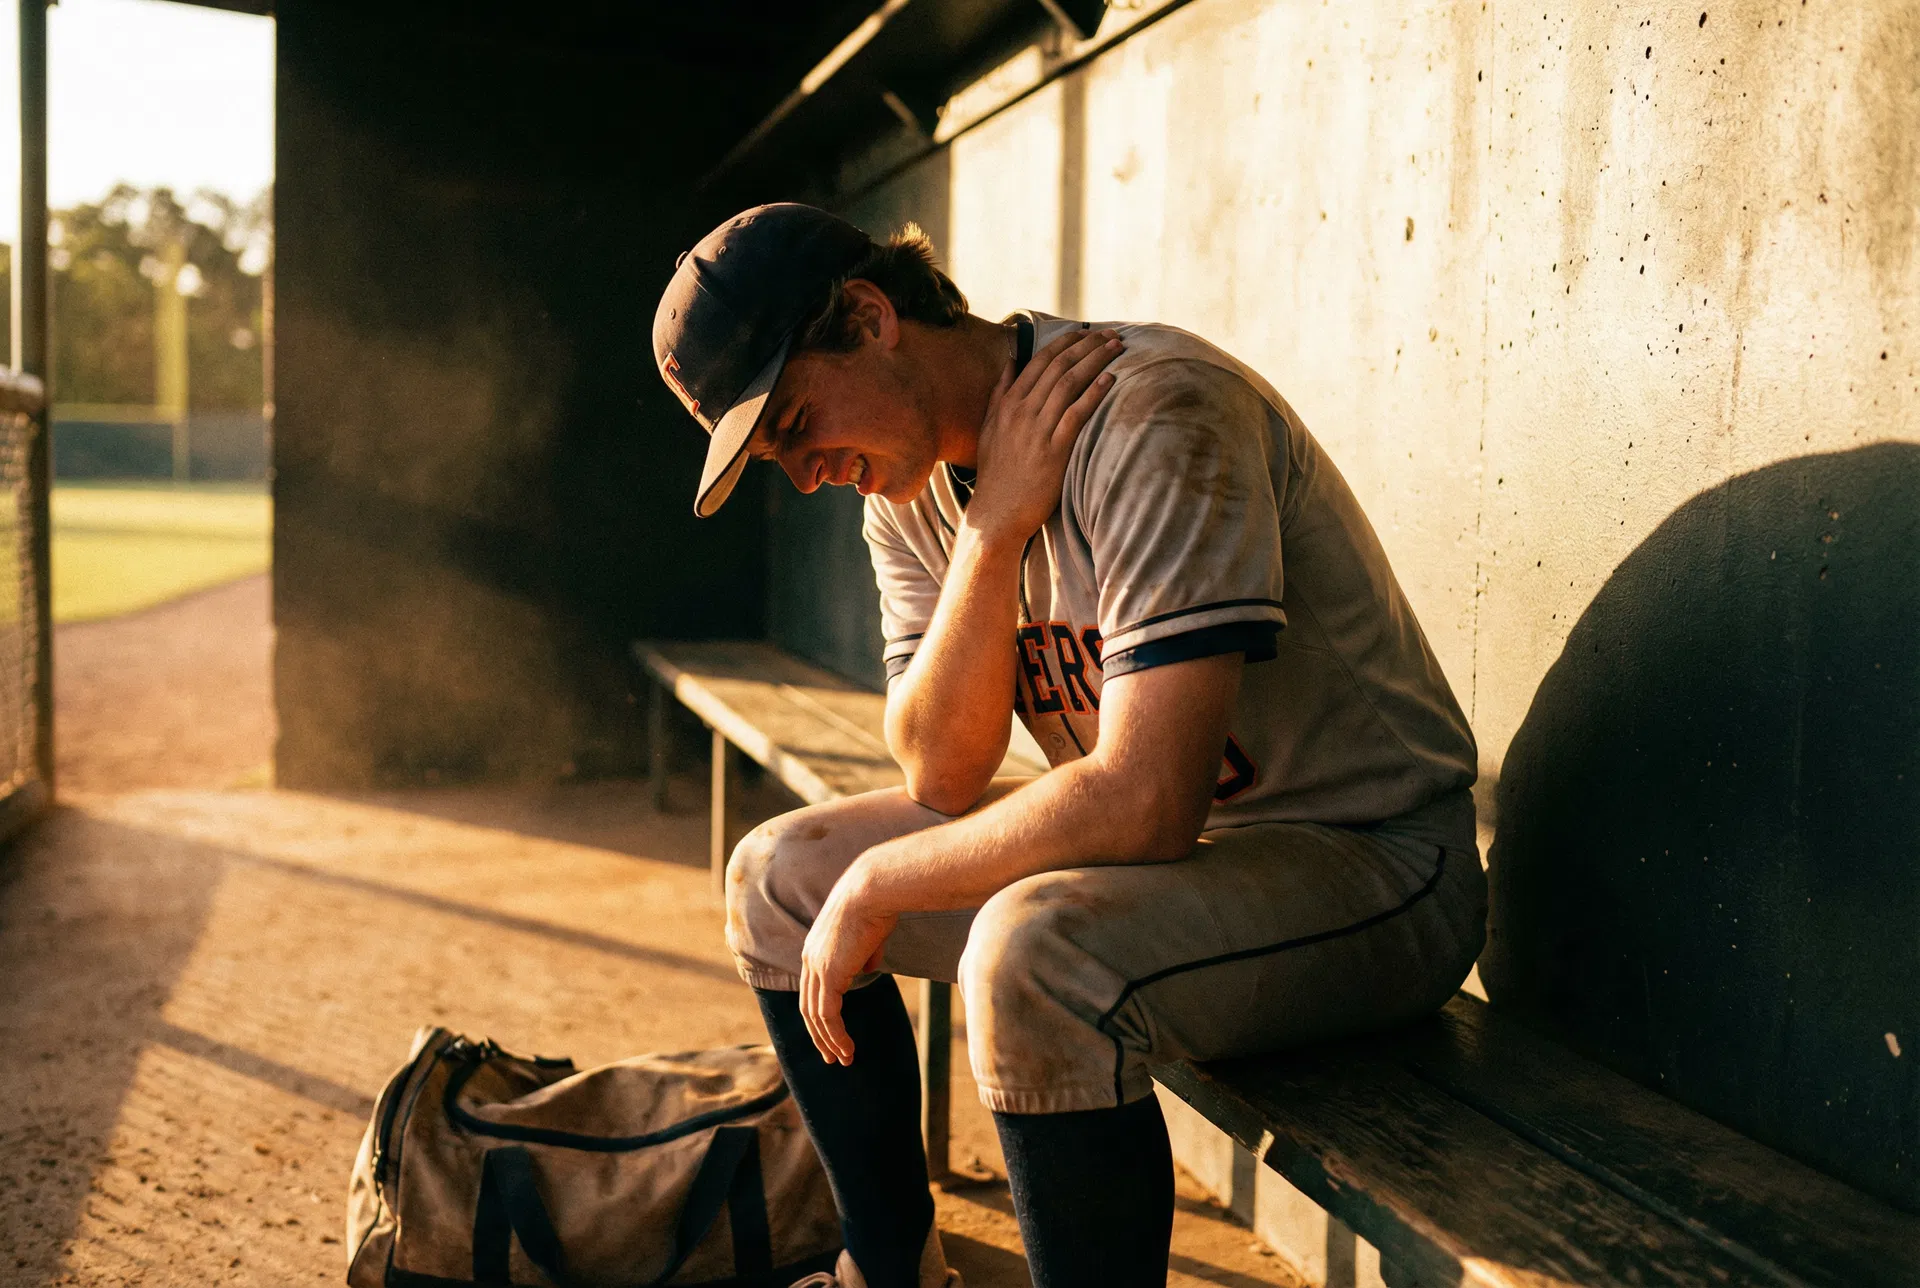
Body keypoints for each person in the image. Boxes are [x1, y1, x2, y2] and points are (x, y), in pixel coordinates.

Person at [651, 203, 1484, 1288]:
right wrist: (992, 531)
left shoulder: (1151, 412)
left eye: (796, 421)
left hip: (1372, 866)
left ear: (867, 316)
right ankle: (887, 1264)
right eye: (774, 454)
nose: (804, 471)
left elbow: (1146, 800)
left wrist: (882, 882)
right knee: (778, 878)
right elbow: (941, 771)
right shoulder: (905, 485)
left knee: (1033, 951)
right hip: (1183, 875)